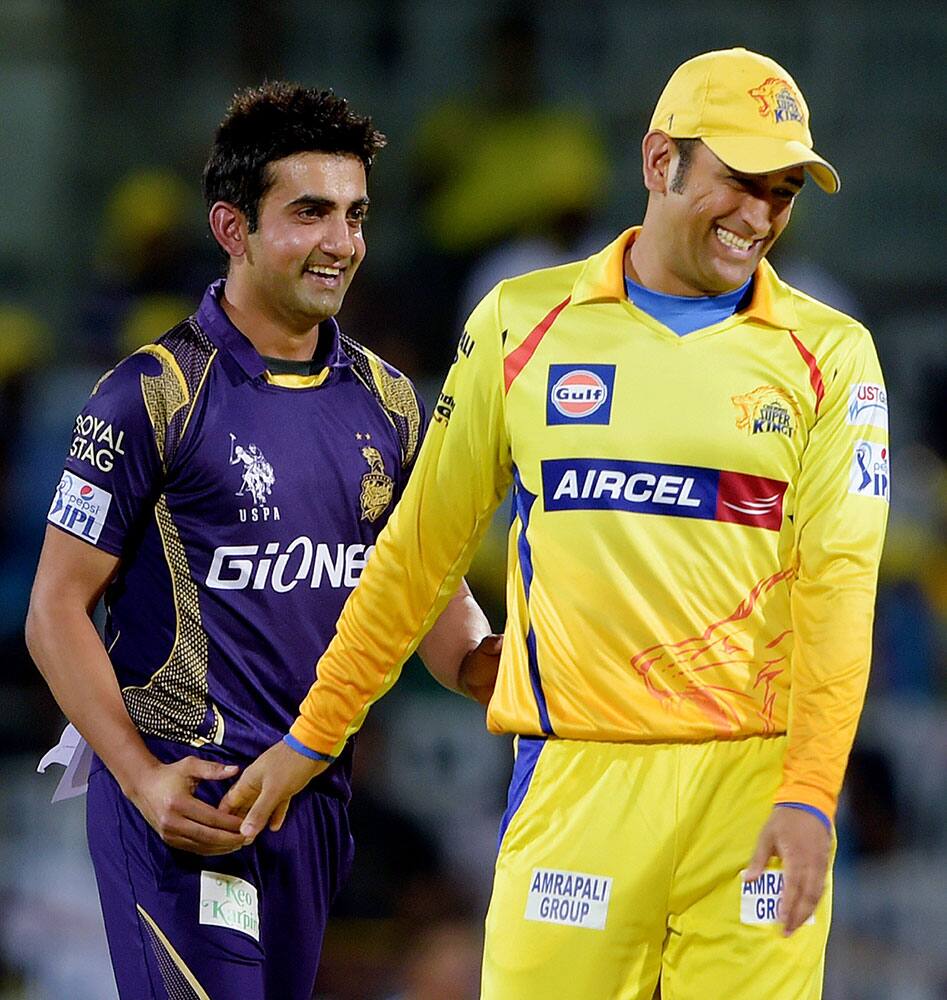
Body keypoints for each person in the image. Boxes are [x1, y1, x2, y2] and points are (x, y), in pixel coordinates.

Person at [223, 48, 891, 999]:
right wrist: (312, 737)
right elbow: (420, 550)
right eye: (740, 181)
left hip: (755, 789)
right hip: (574, 781)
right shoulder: (520, 322)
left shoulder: (831, 354)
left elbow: (838, 587)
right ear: (661, 161)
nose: (759, 215)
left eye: (783, 191)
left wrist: (810, 795)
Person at [26, 83, 499, 1000]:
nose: (341, 243)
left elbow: (432, 608)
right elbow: (54, 609)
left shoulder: (394, 406)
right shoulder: (148, 396)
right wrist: (141, 778)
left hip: (313, 802)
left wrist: (515, 668)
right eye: (310, 212)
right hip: (183, 801)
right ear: (232, 229)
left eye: (356, 215)